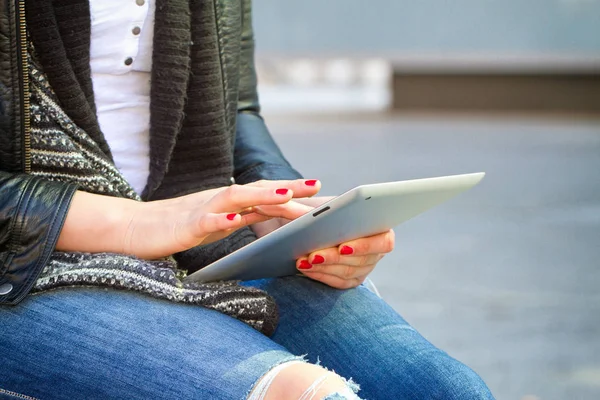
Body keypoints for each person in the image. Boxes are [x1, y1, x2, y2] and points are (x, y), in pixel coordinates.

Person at [0, 0, 495, 399]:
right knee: (304, 396)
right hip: (27, 264)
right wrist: (131, 223)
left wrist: (286, 217)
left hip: (202, 243)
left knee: (448, 391)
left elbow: (234, 109)